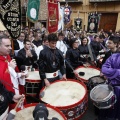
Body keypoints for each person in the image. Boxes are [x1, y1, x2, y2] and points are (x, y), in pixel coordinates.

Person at [0, 35, 27, 110]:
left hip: (16, 90)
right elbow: (2, 81)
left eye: (10, 45)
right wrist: (10, 68)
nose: (11, 48)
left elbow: (13, 75)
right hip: (6, 97)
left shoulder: (8, 56)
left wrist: (20, 75)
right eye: (7, 46)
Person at [98, 48, 120, 120]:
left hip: (117, 88)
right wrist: (117, 72)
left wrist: (111, 73)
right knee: (106, 105)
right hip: (110, 86)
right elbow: (104, 68)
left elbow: (106, 71)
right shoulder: (114, 56)